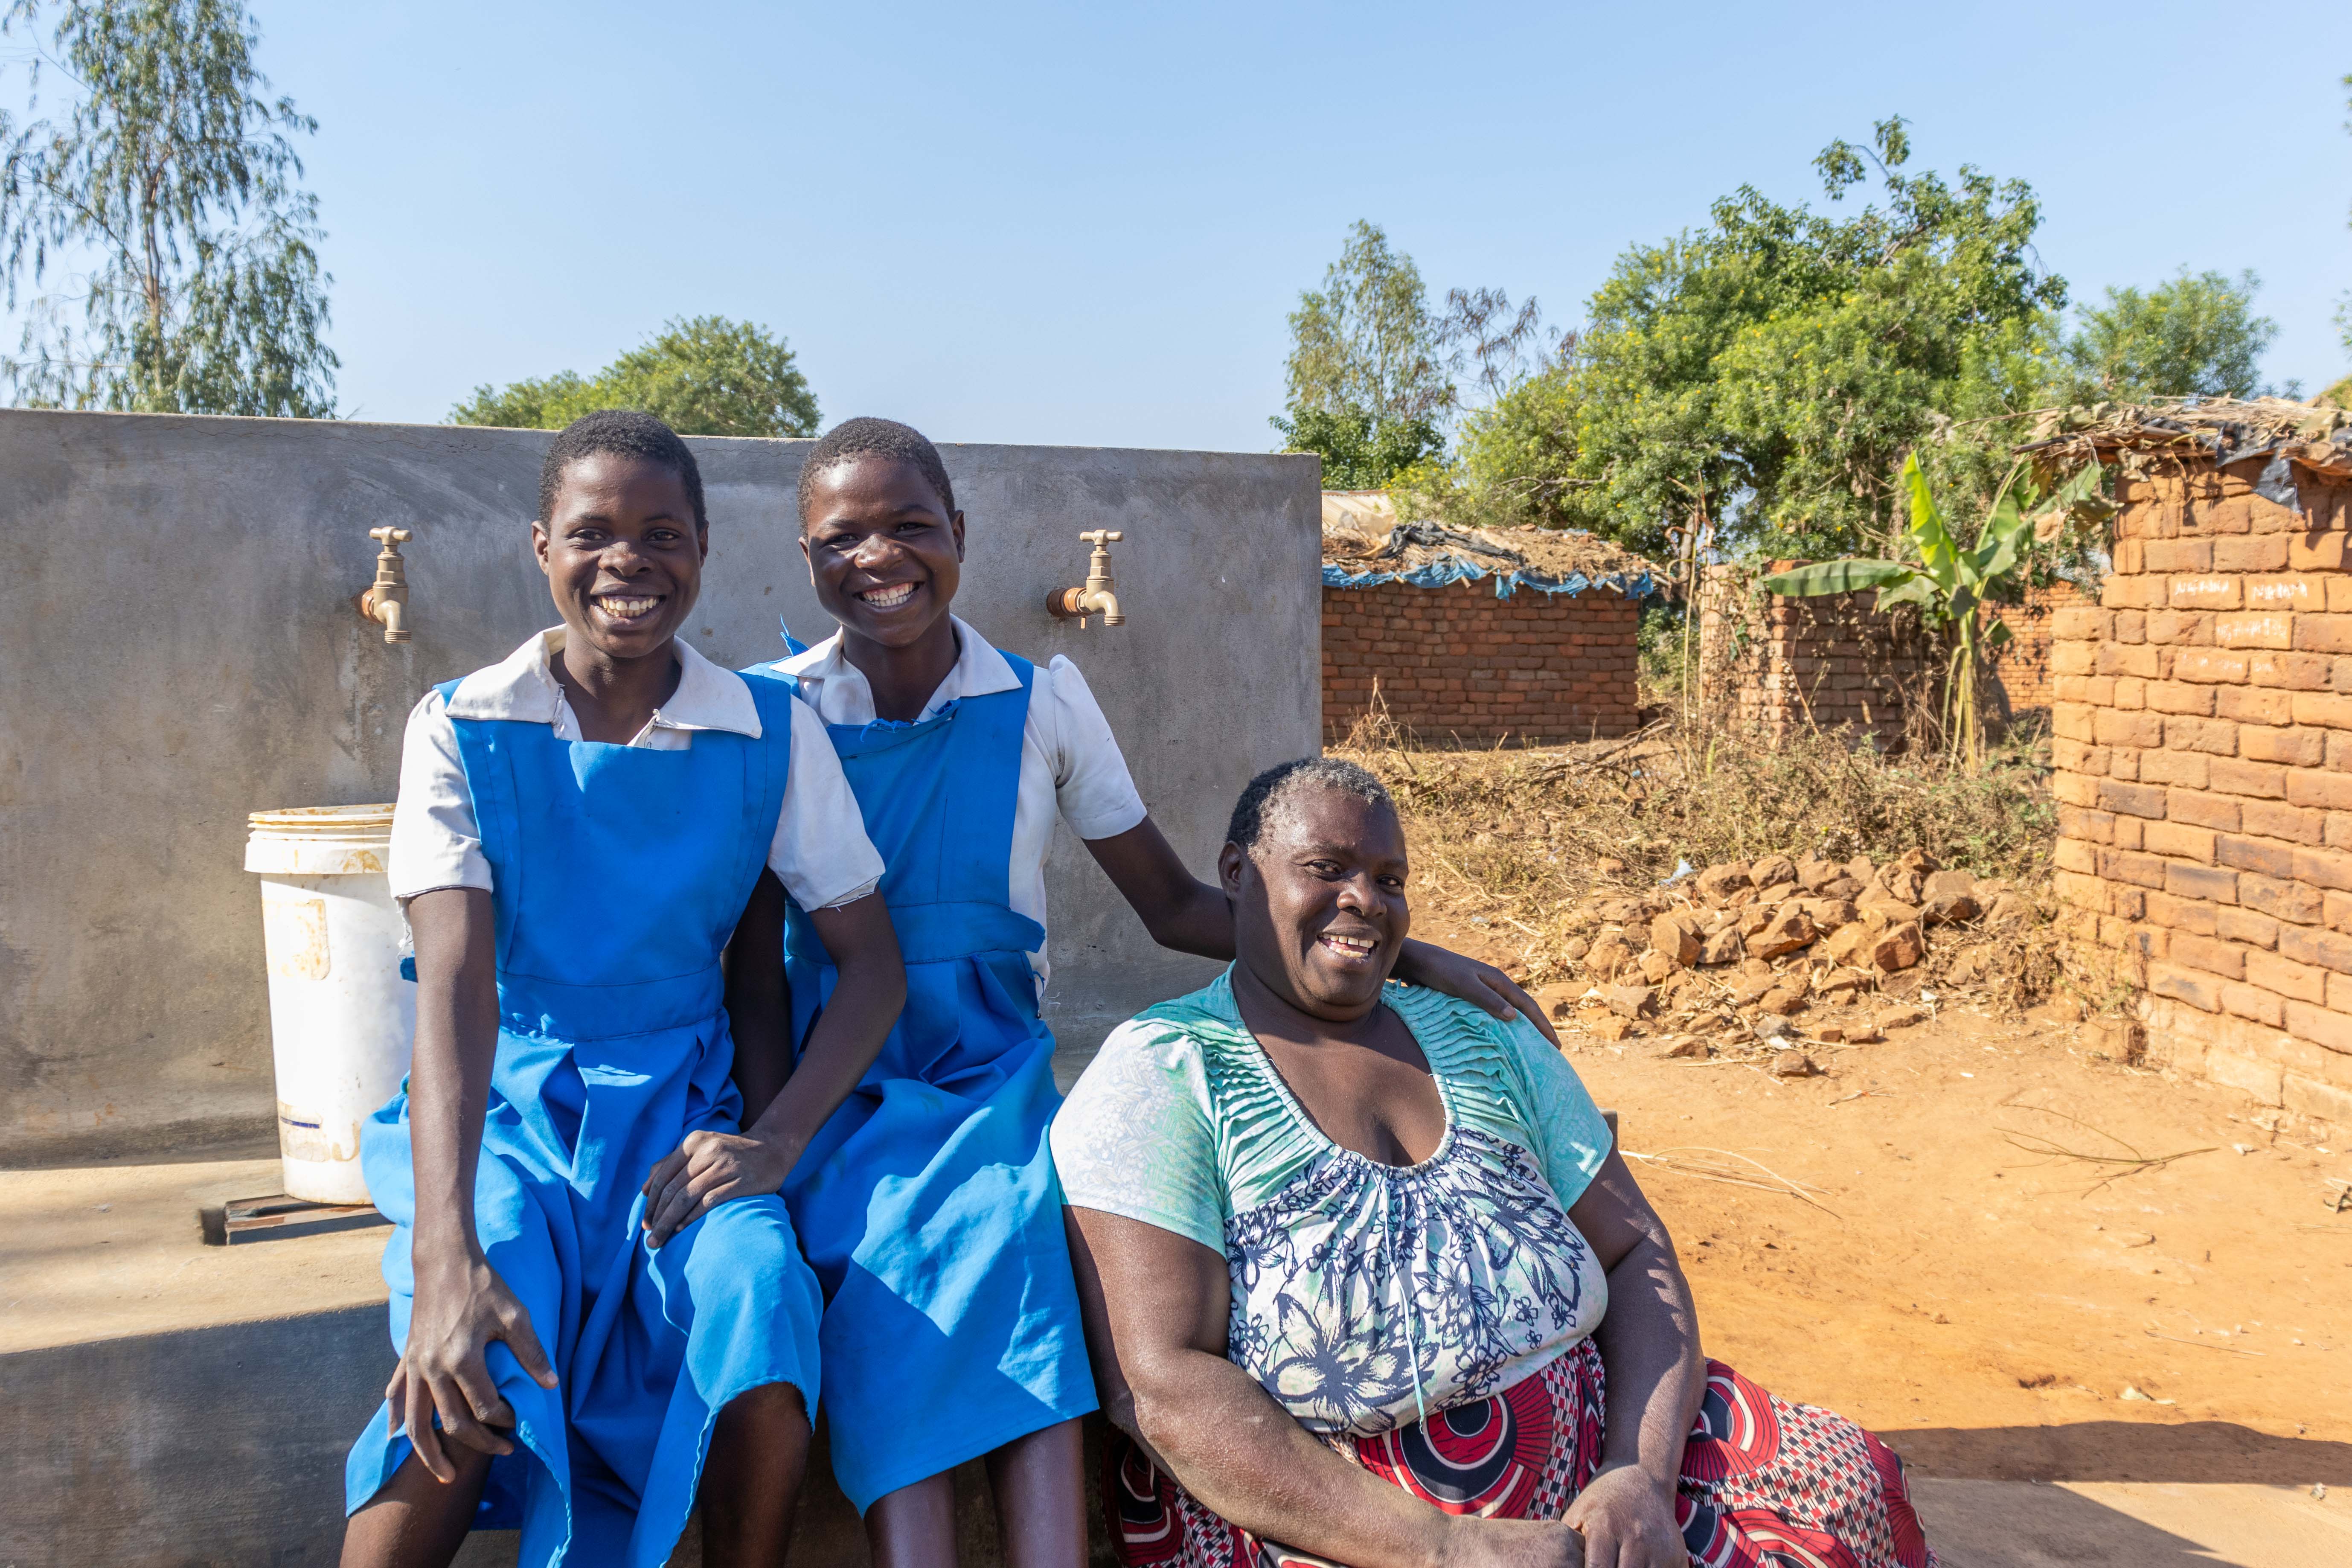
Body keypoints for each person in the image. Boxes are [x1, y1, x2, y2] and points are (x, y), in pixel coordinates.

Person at [729, 417, 1558, 1567]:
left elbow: (1174, 903)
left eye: (913, 524)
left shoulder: (1043, 702)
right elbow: (752, 963)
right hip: (838, 1079)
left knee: (1026, 1247)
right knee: (883, 1280)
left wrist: (1400, 952)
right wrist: (773, 1138)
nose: (882, 555)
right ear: (807, 553)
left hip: (986, 1073)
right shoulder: (772, 712)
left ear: (960, 533)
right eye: (844, 534)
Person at [1051, 757, 1940, 1568]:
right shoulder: (1168, 1071)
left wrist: (1637, 1474)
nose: (1364, 897)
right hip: (1345, 1523)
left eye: (1389, 878)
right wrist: (1445, 1545)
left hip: (1602, 1478)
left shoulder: (1484, 1035)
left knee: (1846, 1487)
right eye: (1326, 868)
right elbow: (1163, 1383)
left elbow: (1637, 1251)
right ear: (1239, 875)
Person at [340, 411, 907, 1568]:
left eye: (662, 532)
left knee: (758, 1293)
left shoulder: (766, 730)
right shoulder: (463, 726)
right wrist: (441, 1251)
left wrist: (777, 1142)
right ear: (540, 544)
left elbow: (873, 966)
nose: (628, 560)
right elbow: (453, 991)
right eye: (592, 531)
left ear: (701, 546)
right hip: (503, 1109)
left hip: (681, 1111)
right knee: (475, 1324)